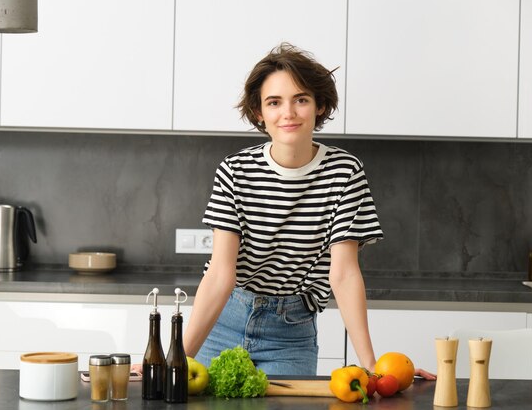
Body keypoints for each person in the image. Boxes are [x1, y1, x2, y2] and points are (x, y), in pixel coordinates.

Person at [184, 43, 434, 379]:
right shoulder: (234, 171)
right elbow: (220, 274)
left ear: (319, 106)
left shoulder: (344, 173)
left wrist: (371, 365)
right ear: (259, 112)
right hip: (224, 321)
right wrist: (177, 357)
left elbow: (344, 275)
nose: (288, 112)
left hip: (292, 333)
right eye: (274, 102)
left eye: (301, 99)